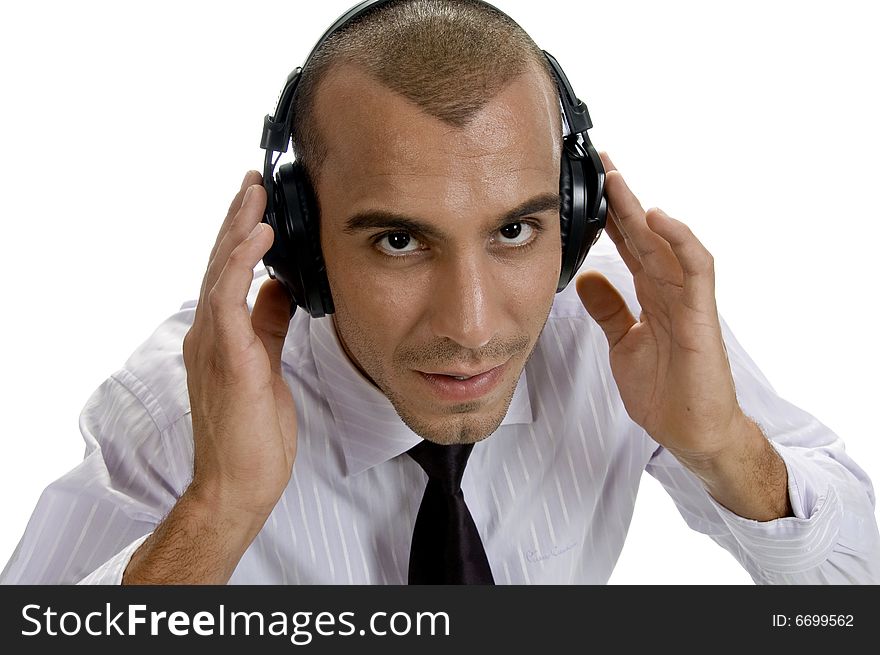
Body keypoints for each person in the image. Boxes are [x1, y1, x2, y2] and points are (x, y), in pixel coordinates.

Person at [2, 0, 879, 585]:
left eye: (513, 232)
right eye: (398, 240)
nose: (472, 326)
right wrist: (218, 509)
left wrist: (727, 447)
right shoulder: (177, 412)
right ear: (299, 243)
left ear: (575, 220)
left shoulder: (619, 333)